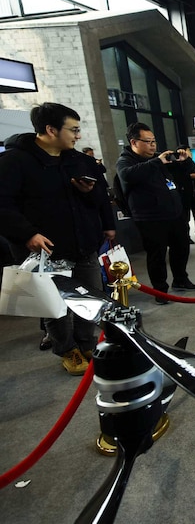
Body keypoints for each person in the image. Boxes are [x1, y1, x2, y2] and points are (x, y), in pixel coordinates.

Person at [0, 102, 115, 375]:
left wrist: (91, 195)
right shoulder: (14, 162)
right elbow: (2, 205)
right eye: (73, 130)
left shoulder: (80, 160)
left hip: (84, 244)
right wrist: (27, 233)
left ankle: (87, 344)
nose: (78, 136)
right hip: (43, 251)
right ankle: (67, 349)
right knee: (55, 306)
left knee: (90, 297)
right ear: (51, 129)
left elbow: (102, 198)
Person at [116, 123, 195, 303]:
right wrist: (156, 162)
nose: (153, 145)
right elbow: (127, 176)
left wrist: (185, 161)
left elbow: (183, 173)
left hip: (174, 213)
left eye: (154, 141)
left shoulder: (158, 159)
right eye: (148, 141)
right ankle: (160, 290)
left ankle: (181, 279)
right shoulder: (126, 161)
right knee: (157, 255)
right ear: (134, 142)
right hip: (150, 218)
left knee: (181, 247)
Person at [169, 145, 195, 243]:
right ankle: (187, 236)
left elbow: (194, 172)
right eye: (189, 151)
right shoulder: (176, 164)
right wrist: (190, 176)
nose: (191, 153)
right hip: (184, 194)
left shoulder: (191, 162)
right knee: (186, 217)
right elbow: (178, 177)